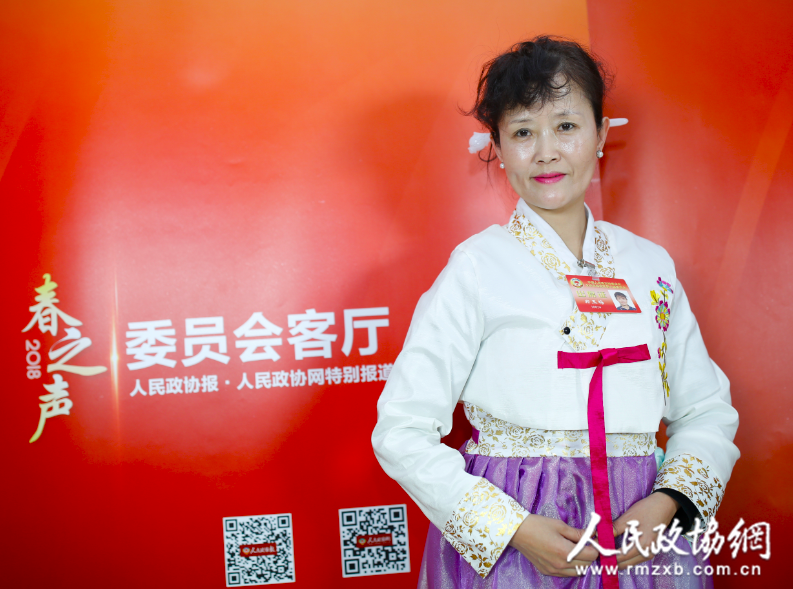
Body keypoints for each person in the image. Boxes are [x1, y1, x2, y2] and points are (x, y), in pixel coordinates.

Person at [371, 36, 739, 588]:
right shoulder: (476, 268)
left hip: (640, 540)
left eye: (566, 126)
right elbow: (401, 429)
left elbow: (706, 410)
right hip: (519, 546)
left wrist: (668, 504)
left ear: (601, 134)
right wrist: (510, 528)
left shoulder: (650, 266)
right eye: (523, 132)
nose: (546, 152)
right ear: (496, 145)